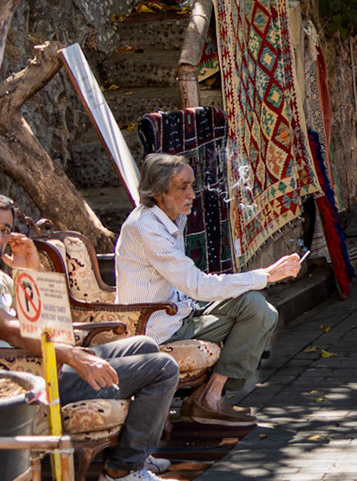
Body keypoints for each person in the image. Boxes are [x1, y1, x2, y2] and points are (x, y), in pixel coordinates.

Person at [0, 190, 185, 481]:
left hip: (44, 362)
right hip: (30, 377)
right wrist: (75, 356)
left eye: (4, 230)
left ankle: (135, 453)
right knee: (161, 367)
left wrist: (29, 270)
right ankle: (124, 471)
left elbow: (47, 323)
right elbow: (13, 332)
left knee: (143, 345)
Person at [115, 153, 302, 427]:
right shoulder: (146, 227)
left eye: (192, 184)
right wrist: (265, 275)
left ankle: (210, 396)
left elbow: (193, 287)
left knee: (257, 308)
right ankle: (205, 400)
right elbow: (198, 285)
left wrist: (259, 279)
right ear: (158, 193)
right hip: (157, 325)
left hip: (180, 310)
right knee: (258, 310)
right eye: (183, 187)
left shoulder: (171, 217)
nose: (192, 193)